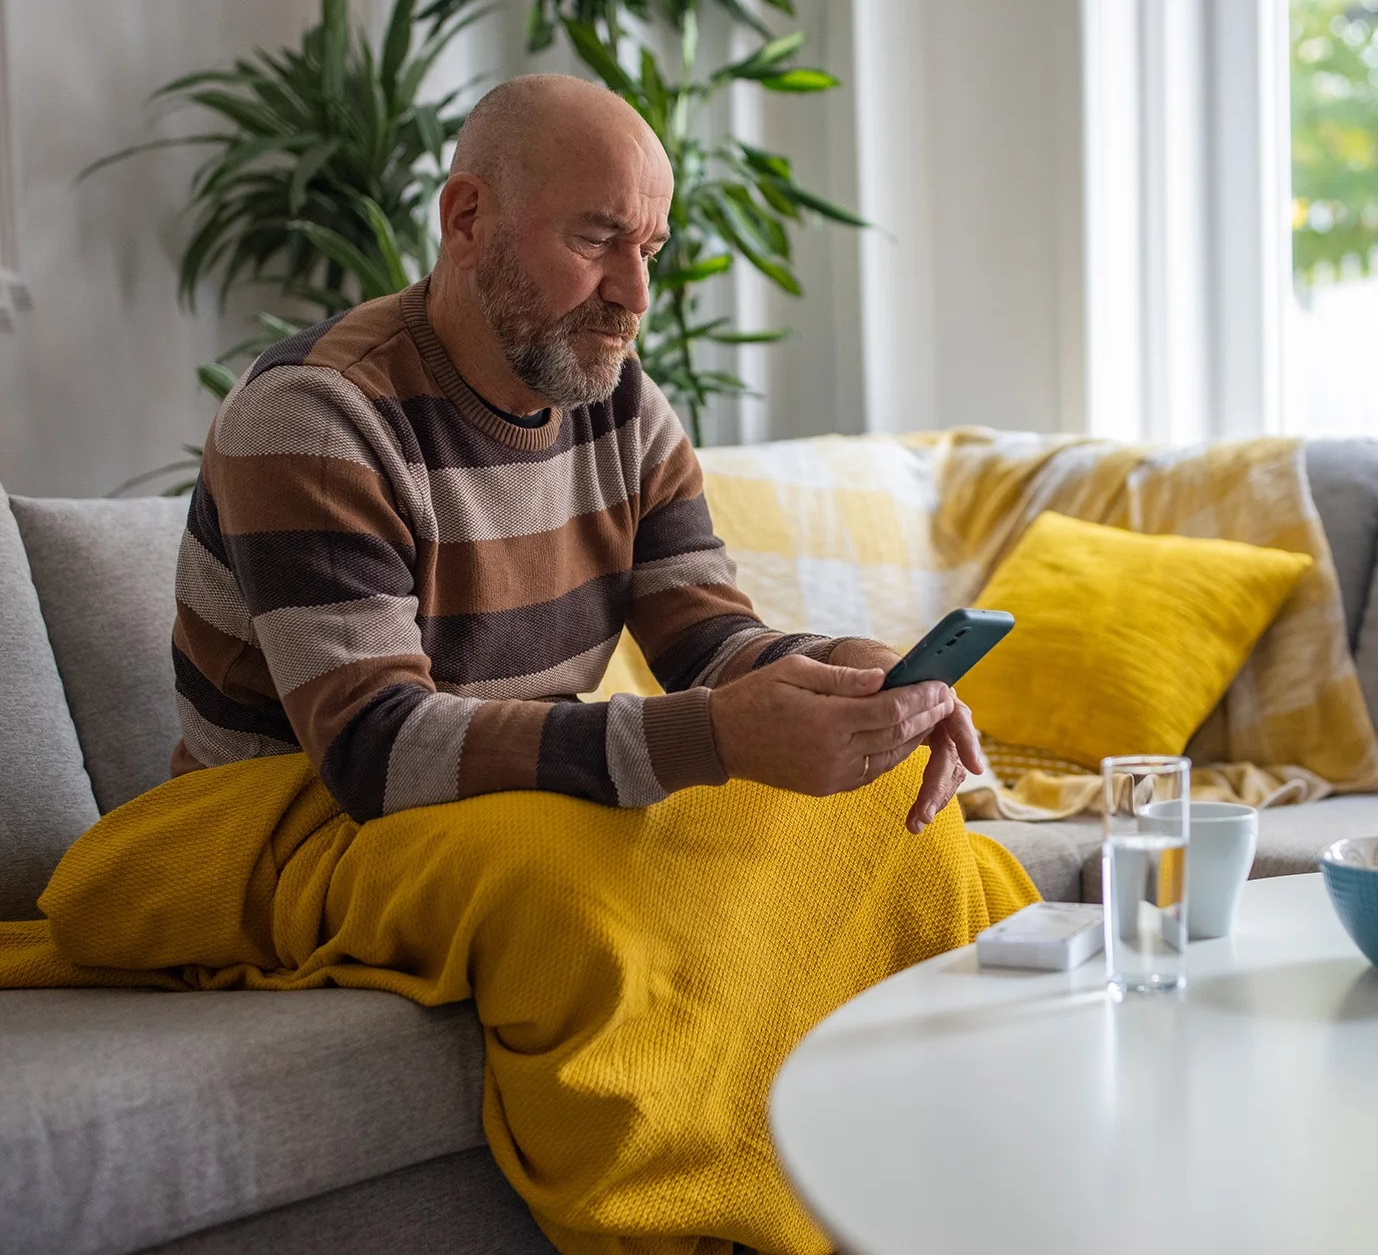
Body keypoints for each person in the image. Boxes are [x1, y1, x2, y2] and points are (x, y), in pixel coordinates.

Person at [170, 73, 981, 831]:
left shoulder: (622, 403)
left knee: (884, 829)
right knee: (597, 897)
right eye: (598, 239)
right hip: (281, 830)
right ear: (466, 221)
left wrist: (858, 677)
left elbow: (707, 642)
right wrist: (717, 736)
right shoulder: (317, 417)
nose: (636, 295)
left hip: (506, 814)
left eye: (649, 250)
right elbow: (376, 750)